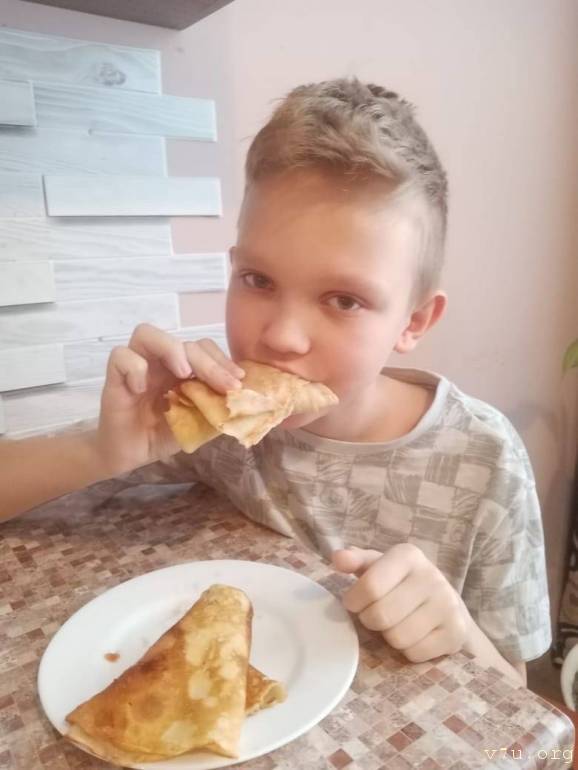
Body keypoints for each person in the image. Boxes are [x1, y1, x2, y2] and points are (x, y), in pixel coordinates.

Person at [0, 79, 551, 687]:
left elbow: (519, 695)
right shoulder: (220, 422)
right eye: (258, 281)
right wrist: (100, 451)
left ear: (413, 322)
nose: (283, 337)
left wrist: (460, 632)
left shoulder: (484, 458)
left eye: (344, 299)